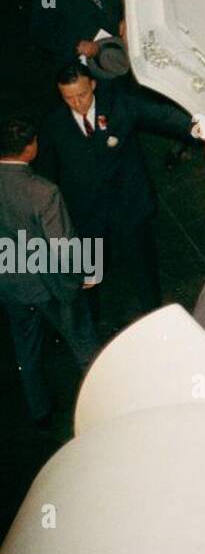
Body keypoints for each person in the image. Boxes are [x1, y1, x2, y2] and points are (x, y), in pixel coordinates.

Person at [38, 64, 193, 327]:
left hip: (128, 206)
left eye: (82, 95)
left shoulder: (119, 105)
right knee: (89, 276)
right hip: (86, 215)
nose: (77, 103)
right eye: (69, 98)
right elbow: (48, 173)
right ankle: (91, 326)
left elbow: (162, 116)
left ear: (93, 86)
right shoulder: (54, 123)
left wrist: (200, 128)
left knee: (142, 269)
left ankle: (156, 319)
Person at [0, 116, 99, 426]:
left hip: (10, 281)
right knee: (81, 341)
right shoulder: (43, 191)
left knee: (26, 349)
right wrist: (86, 274)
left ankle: (39, 411)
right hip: (48, 285)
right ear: (30, 149)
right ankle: (101, 401)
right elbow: (64, 245)